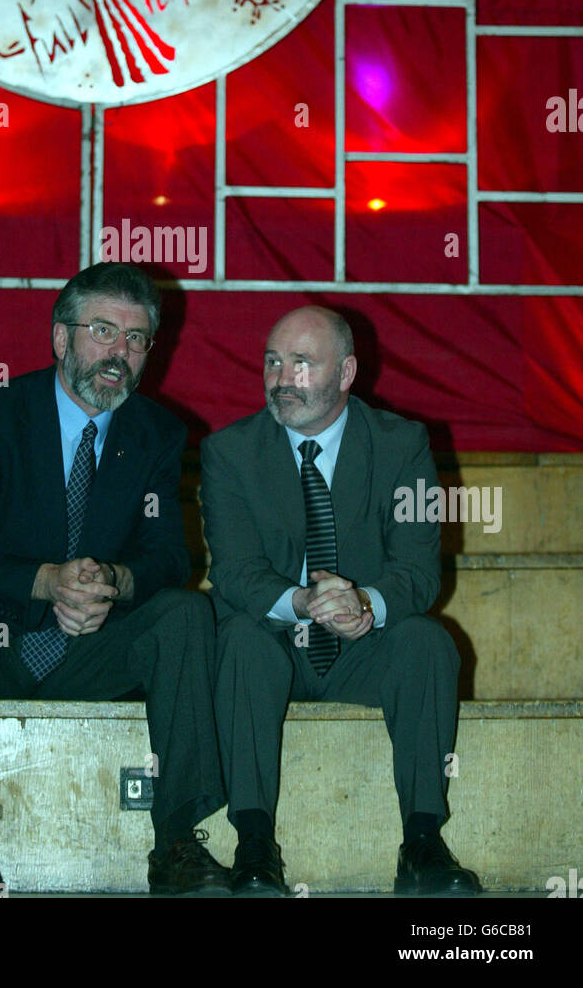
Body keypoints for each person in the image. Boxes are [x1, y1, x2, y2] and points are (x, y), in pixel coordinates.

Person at [0, 262, 228, 897]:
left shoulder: (157, 433)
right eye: (102, 331)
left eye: (135, 339)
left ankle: (177, 843)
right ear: (60, 338)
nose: (118, 354)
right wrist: (43, 581)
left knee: (187, 614)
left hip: (91, 651)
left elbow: (169, 558)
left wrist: (115, 583)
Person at [200, 305, 482, 898]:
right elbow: (234, 574)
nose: (281, 378)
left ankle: (422, 843)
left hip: (364, 649)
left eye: (302, 363)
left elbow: (419, 572)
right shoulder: (230, 452)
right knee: (241, 639)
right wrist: (303, 601)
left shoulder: (403, 445)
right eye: (273, 361)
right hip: (277, 647)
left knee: (427, 640)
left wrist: (366, 605)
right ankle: (253, 844)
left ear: (347, 372)